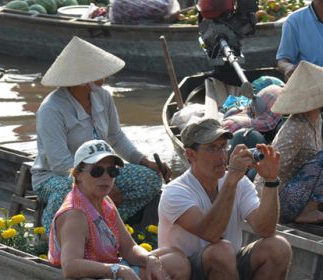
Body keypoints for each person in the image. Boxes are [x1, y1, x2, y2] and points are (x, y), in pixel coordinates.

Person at [31, 36, 171, 235]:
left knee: (149, 179)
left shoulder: (102, 97)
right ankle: (58, 236)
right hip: (56, 176)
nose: (104, 76)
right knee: (69, 193)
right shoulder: (51, 109)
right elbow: (60, 163)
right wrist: (99, 183)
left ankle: (107, 225)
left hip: (102, 171)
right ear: (79, 78)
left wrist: (144, 161)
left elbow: (116, 137)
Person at [158, 118, 292, 280]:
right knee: (221, 251)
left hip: (228, 265)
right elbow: (211, 234)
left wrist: (271, 180)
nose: (221, 156)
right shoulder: (175, 192)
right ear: (190, 154)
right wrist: (231, 181)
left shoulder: (238, 181)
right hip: (187, 271)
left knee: (278, 246)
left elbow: (265, 230)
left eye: (223, 147)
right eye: (212, 148)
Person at [49, 139, 190, 280]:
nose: (105, 177)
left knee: (173, 253)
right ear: (77, 175)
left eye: (112, 171)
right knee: (176, 264)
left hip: (110, 268)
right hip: (97, 275)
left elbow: (129, 248)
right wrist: (118, 269)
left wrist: (149, 259)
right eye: (97, 171)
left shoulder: (105, 201)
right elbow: (70, 266)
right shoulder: (75, 214)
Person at [256, 61, 323, 224]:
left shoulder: (316, 119)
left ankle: (313, 207)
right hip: (281, 201)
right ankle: (309, 211)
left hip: (305, 194)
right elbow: (271, 171)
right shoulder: (296, 127)